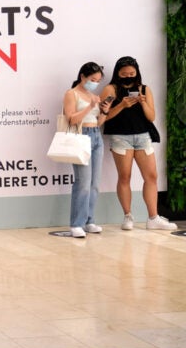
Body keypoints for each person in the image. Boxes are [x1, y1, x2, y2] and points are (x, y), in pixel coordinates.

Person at [101, 56, 176, 231]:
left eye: (132, 73)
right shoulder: (110, 89)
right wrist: (122, 105)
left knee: (151, 176)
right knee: (125, 176)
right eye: (124, 73)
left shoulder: (144, 89)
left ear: (137, 72)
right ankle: (128, 216)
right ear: (118, 73)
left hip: (143, 136)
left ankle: (153, 217)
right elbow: (104, 116)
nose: (128, 76)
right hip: (120, 137)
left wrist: (142, 103)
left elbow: (151, 117)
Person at [62, 62, 110, 238]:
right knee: (82, 183)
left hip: (96, 135)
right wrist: (90, 106)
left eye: (98, 80)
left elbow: (97, 123)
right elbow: (72, 119)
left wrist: (104, 111)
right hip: (81, 136)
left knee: (94, 184)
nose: (95, 83)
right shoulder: (71, 94)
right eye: (92, 79)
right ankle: (76, 224)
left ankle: (89, 220)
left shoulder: (93, 95)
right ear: (82, 76)